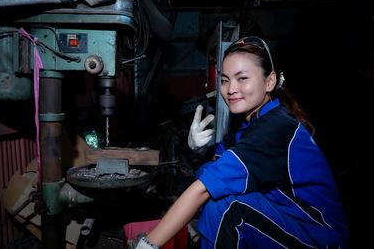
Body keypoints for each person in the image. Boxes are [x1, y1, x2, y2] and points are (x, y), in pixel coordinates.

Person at [136, 36, 349, 248]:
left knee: (227, 206)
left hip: (318, 236)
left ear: (270, 81)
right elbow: (215, 169)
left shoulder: (276, 128)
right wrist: (198, 151)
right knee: (209, 173)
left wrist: (148, 244)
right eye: (225, 80)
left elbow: (203, 189)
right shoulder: (246, 126)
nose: (230, 89)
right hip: (286, 221)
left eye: (242, 78)